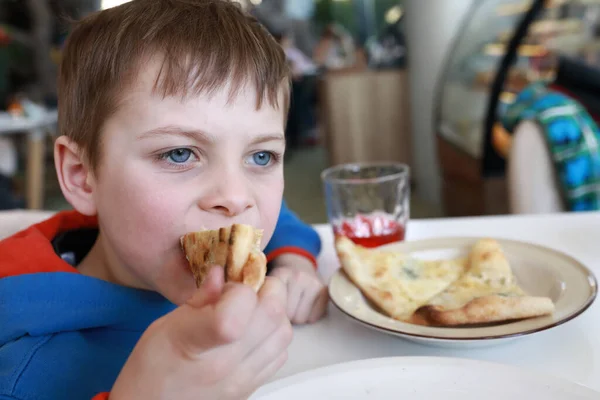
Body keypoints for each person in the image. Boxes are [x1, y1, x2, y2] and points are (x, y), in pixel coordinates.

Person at [0, 1, 329, 399]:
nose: (237, 198)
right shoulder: (29, 372)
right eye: (179, 154)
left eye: (260, 157)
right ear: (82, 177)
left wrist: (294, 261)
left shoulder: (186, 231)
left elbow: (282, 219)